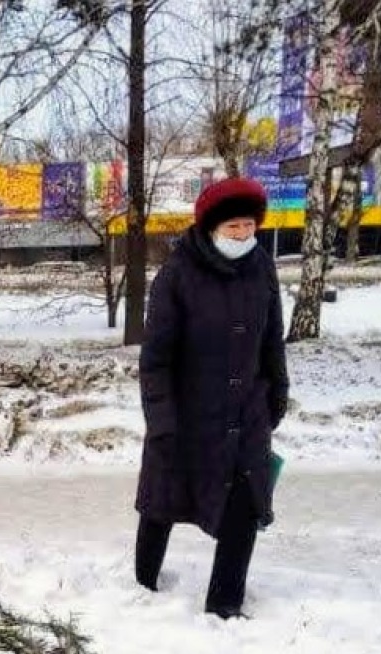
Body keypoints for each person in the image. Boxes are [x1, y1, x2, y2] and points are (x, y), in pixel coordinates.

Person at [133, 176, 290, 620]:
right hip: (188, 412)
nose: (242, 234)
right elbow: (156, 359)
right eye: (233, 226)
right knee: (164, 497)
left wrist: (277, 391)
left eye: (249, 225)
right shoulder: (177, 275)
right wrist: (161, 420)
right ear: (212, 228)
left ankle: (225, 605)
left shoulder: (262, 267)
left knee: (246, 502)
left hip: (246, 412)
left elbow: (272, 339)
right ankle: (142, 584)